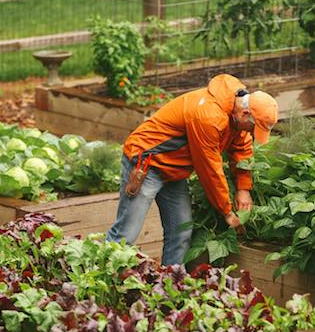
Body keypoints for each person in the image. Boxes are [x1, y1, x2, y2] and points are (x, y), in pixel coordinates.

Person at [106, 74, 279, 265]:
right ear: (246, 114)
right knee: (126, 233)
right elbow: (209, 169)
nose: (251, 133)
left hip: (174, 171)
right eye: (253, 128)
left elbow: (242, 148)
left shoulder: (237, 116)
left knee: (181, 231)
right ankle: (99, 282)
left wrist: (244, 188)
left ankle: (169, 285)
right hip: (147, 163)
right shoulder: (209, 116)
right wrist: (227, 211)